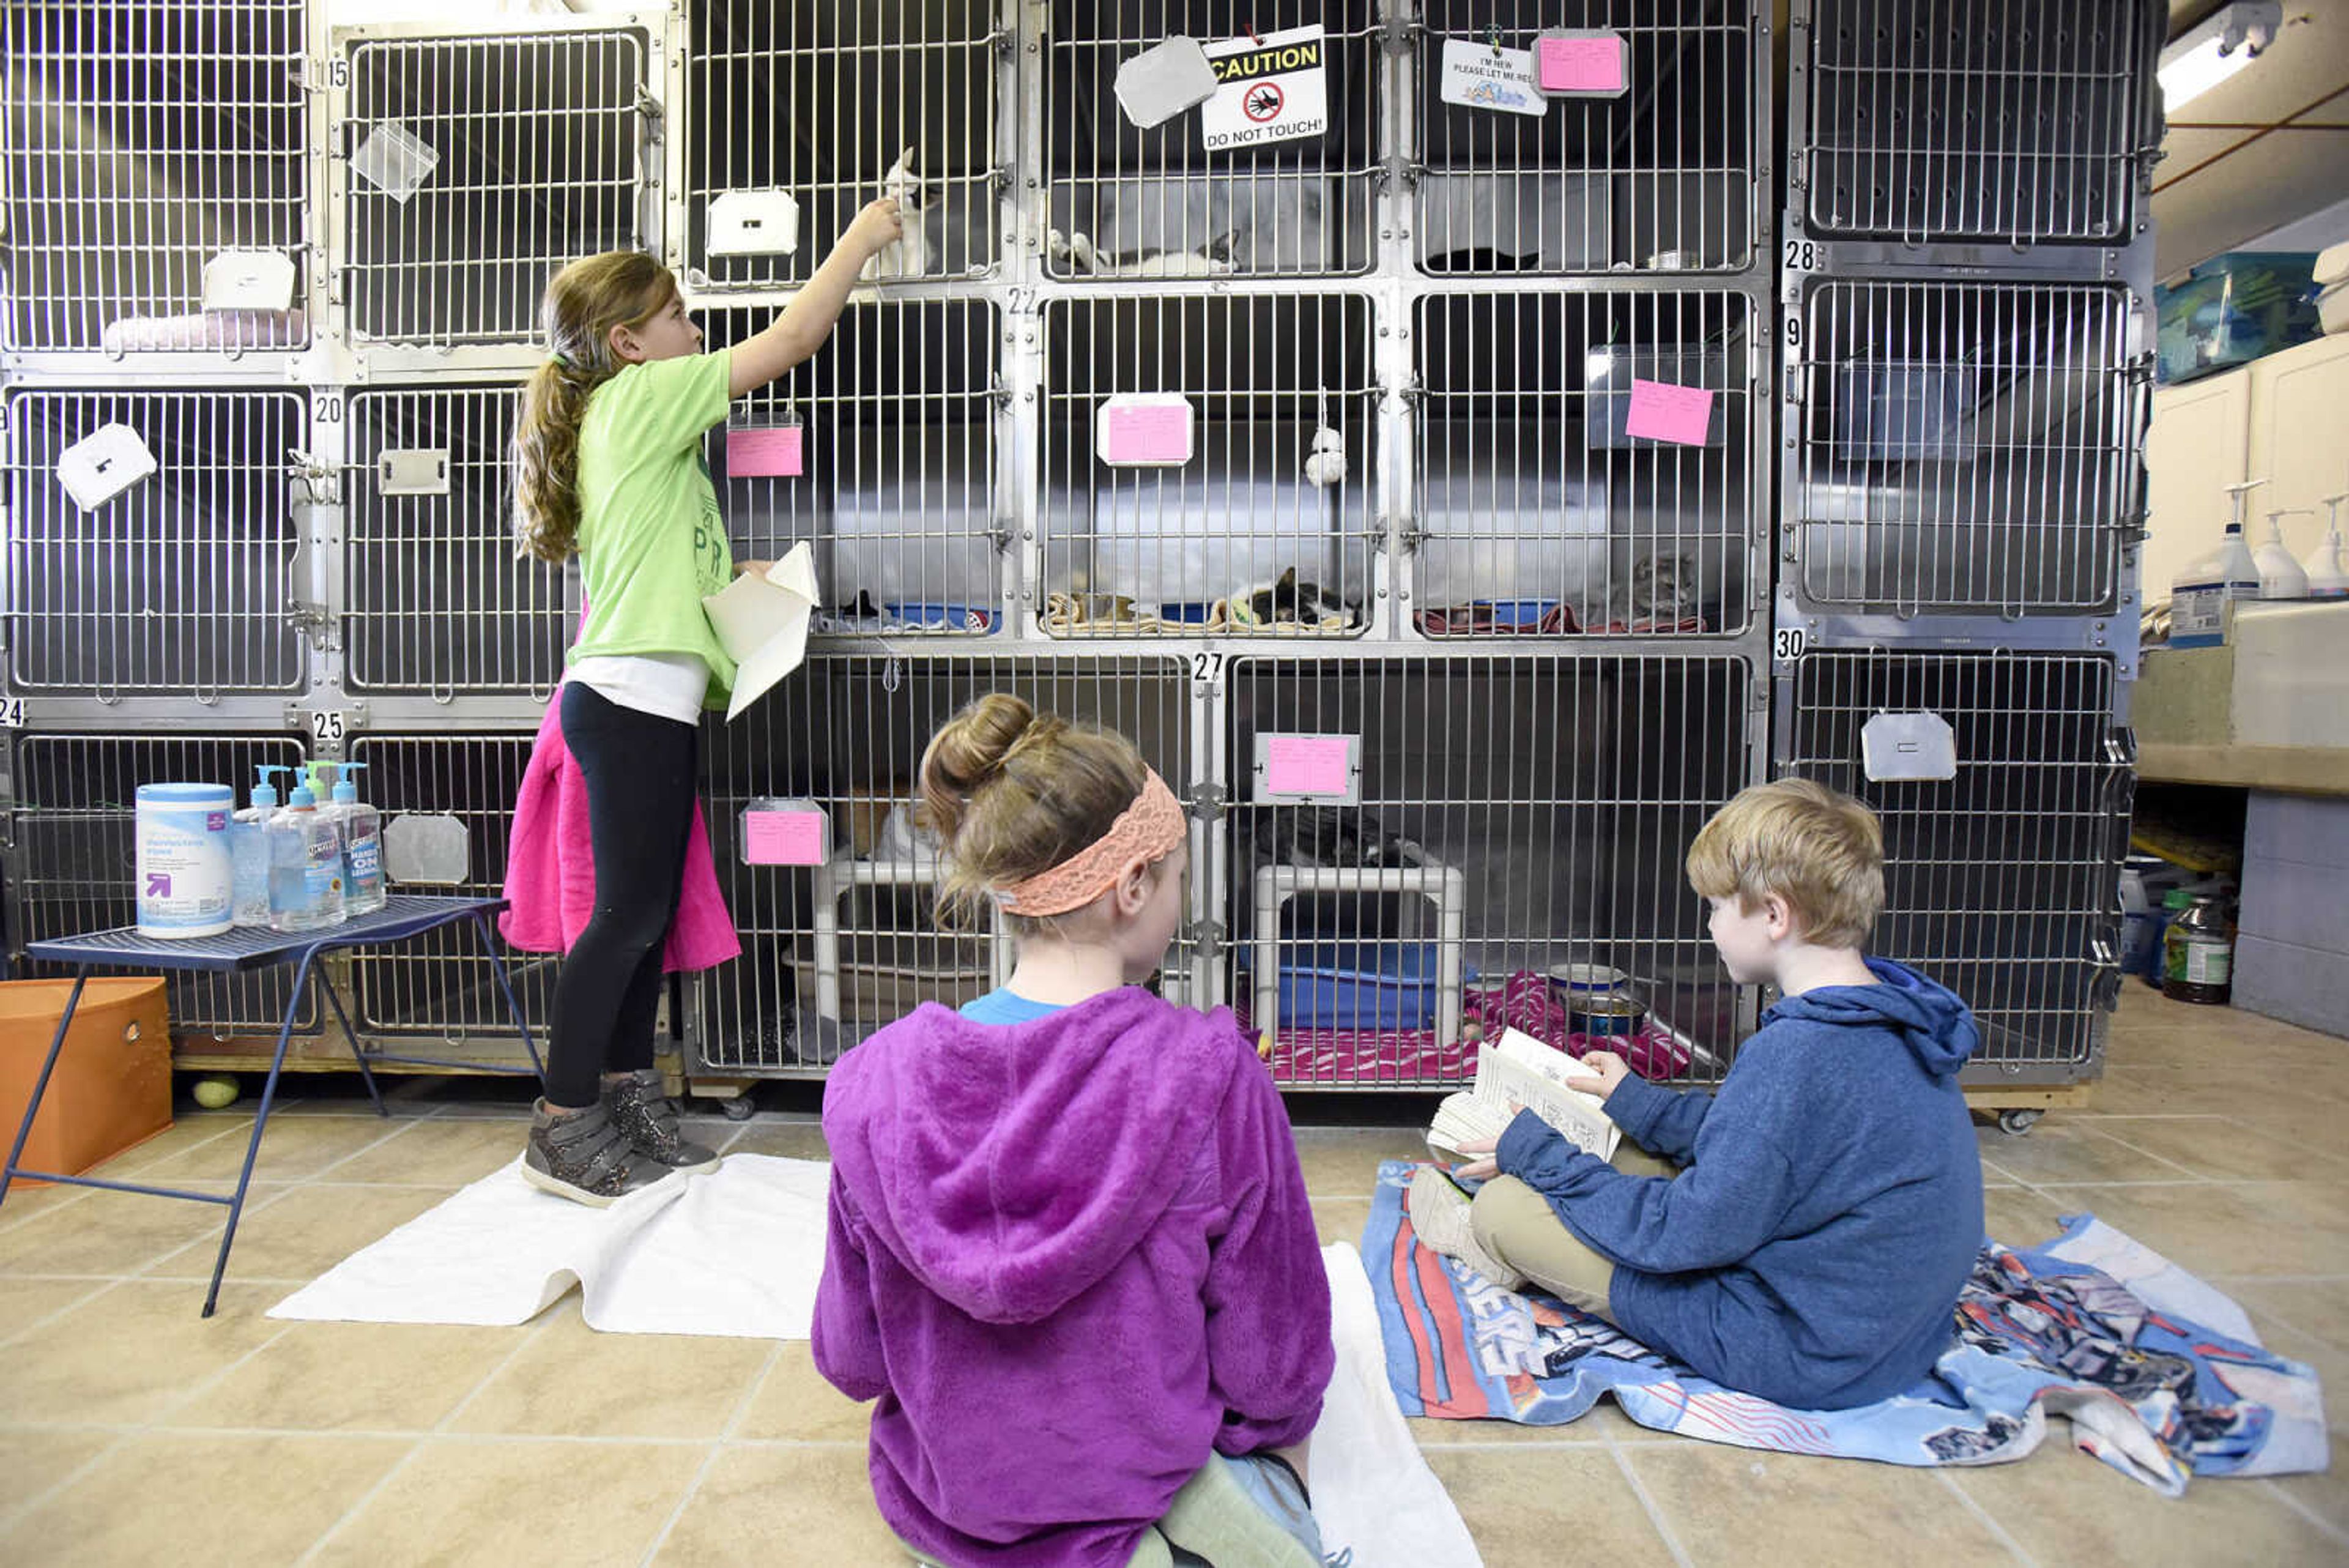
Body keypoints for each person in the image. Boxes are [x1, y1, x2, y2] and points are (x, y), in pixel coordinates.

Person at [814, 696, 1338, 1568]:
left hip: (954, 1515)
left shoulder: (875, 1087)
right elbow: (1271, 1362)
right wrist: (1283, 1450)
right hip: (1144, 1482)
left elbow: (852, 1357)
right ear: (1133, 887)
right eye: (1177, 875)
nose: (1180, 894)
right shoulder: (1209, 1076)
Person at [507, 199, 901, 1205]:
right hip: (629, 698)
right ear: (626, 342)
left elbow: (665, 579)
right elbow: (794, 337)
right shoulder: (640, 399)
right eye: (678, 315)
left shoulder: (645, 440)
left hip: (650, 699)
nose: (695, 331)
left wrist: (751, 578)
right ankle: (559, 1120)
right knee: (626, 917)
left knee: (644, 921)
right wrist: (861, 236)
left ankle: (630, 1098)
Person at [1409, 778, 1985, 1411]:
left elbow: (1680, 1235)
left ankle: (1485, 1235)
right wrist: (1638, 1101)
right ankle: (1530, 1181)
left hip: (1797, 1348)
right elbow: (1766, 1140)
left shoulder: (1798, 1054)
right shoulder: (1886, 1013)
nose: (1708, 924)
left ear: (1773, 914)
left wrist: (1539, 1158)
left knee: (1509, 1207)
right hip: (1884, 1334)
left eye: (1714, 905)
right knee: (1614, 1137)